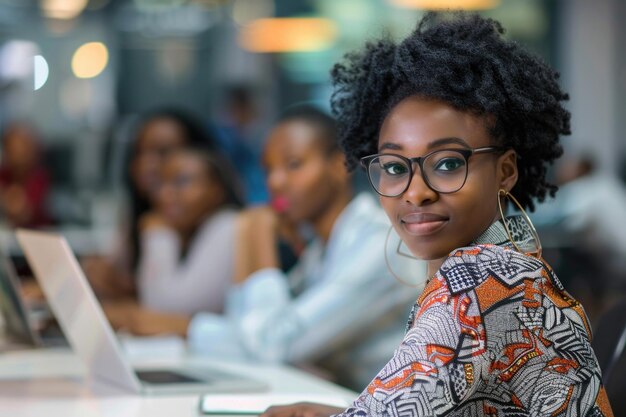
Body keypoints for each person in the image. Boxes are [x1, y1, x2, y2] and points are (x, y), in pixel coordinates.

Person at [262, 12, 613, 416]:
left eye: (447, 163)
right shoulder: (504, 272)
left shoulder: (482, 281)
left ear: (506, 171)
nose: (416, 192)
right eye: (395, 167)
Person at [187, 106, 423, 389]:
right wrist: (246, 233)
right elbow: (251, 332)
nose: (275, 182)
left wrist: (259, 234)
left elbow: (273, 347)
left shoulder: (381, 245)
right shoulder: (321, 248)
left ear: (339, 166)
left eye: (293, 164)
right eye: (268, 169)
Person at [103, 146, 243, 334]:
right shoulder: (187, 231)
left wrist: (159, 236)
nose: (165, 195)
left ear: (216, 190)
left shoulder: (227, 224)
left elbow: (166, 307)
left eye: (181, 182)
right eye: (161, 183)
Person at [83, 108, 217, 299]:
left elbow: (172, 305)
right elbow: (123, 281)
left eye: (163, 152)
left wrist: (158, 232)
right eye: (139, 152)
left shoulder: (219, 225)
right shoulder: (140, 215)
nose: (146, 164)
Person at [0, 121, 51, 228]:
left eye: (21, 149)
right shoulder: (3, 174)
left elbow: (26, 213)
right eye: (12, 149)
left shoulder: (39, 178)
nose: (17, 155)